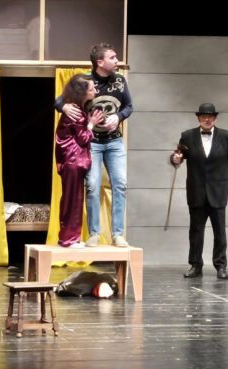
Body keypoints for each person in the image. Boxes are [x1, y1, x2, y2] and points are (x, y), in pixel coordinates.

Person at [55, 42, 132, 247]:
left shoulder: (120, 80)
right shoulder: (85, 81)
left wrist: (118, 117)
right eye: (112, 57)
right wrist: (64, 107)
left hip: (114, 140)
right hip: (92, 143)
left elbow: (129, 106)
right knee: (92, 185)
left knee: (120, 184)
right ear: (100, 62)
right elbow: (58, 101)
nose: (117, 61)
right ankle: (94, 233)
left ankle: (117, 234)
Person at [170, 103, 228, 280]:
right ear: (198, 118)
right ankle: (195, 265)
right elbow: (178, 156)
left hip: (218, 192)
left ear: (215, 118)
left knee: (220, 232)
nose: (207, 119)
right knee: (195, 232)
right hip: (196, 191)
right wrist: (175, 159)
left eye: (210, 117)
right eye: (204, 116)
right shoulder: (187, 136)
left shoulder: (226, 136)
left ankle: (221, 266)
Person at [55, 74, 104, 248]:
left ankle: (71, 237)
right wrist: (91, 124)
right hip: (73, 160)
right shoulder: (76, 112)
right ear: (82, 92)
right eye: (91, 89)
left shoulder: (77, 109)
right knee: (72, 201)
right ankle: (69, 239)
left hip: (73, 160)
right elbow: (83, 138)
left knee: (73, 200)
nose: (95, 91)